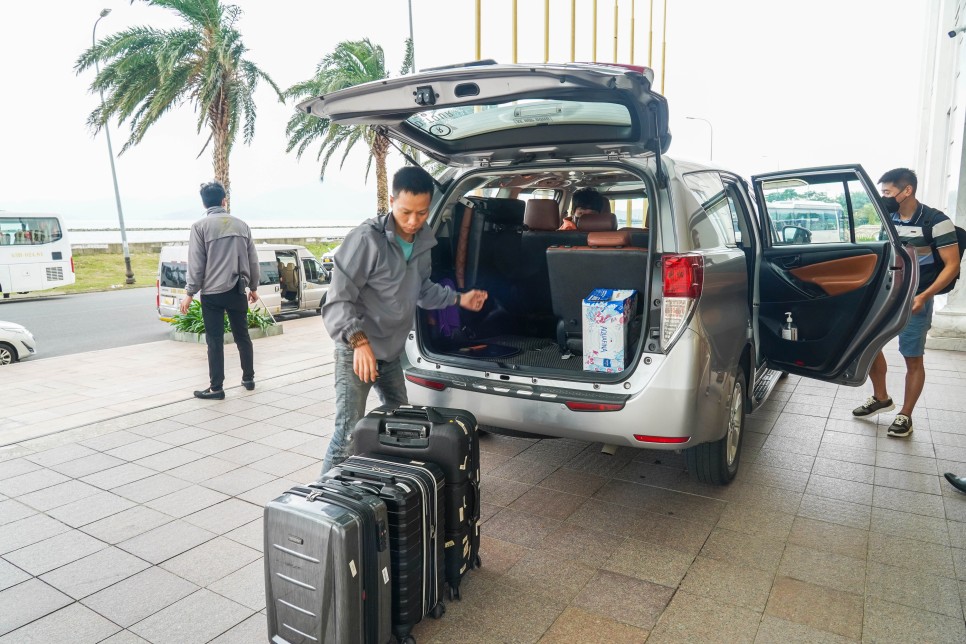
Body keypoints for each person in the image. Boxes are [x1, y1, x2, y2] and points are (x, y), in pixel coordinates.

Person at [321, 166, 488, 473]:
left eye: (422, 213)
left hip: (391, 353)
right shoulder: (366, 240)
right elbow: (336, 301)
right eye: (406, 212)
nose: (414, 222)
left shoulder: (423, 240)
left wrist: (459, 298)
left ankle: (394, 483)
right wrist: (359, 342)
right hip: (357, 352)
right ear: (392, 201)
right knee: (347, 434)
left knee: (402, 423)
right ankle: (320, 505)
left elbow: (421, 290)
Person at [852, 168, 960, 436]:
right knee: (869, 345)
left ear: (907, 190)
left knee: (912, 357)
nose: (884, 197)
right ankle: (881, 398)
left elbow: (952, 266)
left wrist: (924, 296)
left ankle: (905, 415)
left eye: (888, 192)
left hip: (917, 298)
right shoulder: (887, 217)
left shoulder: (937, 221)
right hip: (887, 295)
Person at [181, 180, 260, 400]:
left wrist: (189, 293)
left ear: (204, 203)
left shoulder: (200, 227)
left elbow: (196, 264)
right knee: (242, 336)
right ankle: (249, 379)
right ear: (224, 200)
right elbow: (253, 260)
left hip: (212, 295)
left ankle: (217, 388)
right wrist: (253, 287)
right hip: (237, 290)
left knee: (214, 341)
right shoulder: (242, 225)